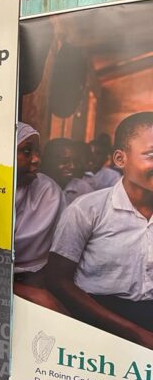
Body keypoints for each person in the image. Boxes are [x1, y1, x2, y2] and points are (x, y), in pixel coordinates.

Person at [47, 112, 153, 349]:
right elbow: (57, 280)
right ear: (120, 158)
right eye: (151, 154)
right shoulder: (88, 210)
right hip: (98, 319)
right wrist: (135, 333)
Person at [12, 123, 67, 310]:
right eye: (26, 151)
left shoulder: (48, 191)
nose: (36, 160)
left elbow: (61, 250)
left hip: (38, 279)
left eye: (38, 152)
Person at [41, 138, 93, 205]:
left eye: (75, 161)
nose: (72, 166)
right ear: (50, 162)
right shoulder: (37, 188)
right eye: (65, 161)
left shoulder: (83, 188)